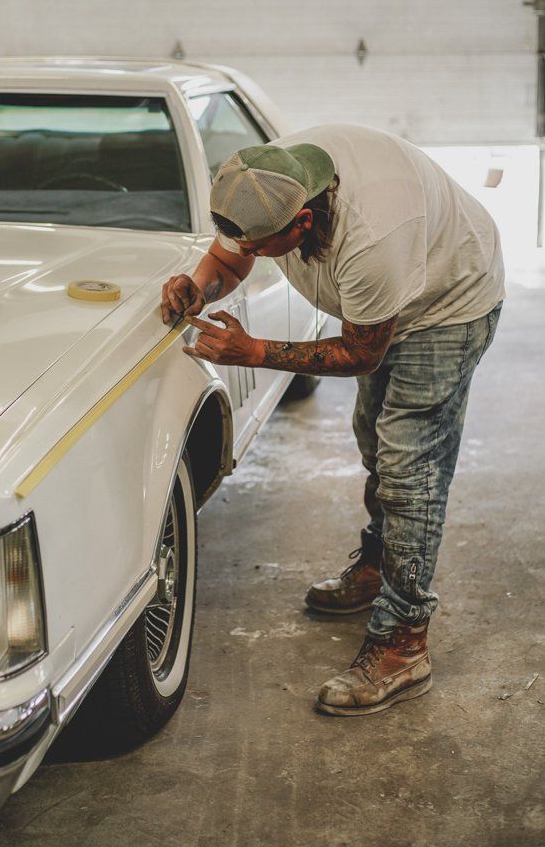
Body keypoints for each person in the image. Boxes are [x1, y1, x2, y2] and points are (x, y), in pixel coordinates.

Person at [161, 123, 504, 716]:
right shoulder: (261, 183)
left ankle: (403, 641)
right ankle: (379, 564)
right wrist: (198, 286)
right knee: (374, 441)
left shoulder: (371, 236)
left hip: (446, 305)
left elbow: (361, 352)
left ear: (302, 222)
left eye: (261, 247)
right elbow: (227, 258)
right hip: (382, 302)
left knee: (409, 470)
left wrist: (256, 352)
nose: (249, 254)